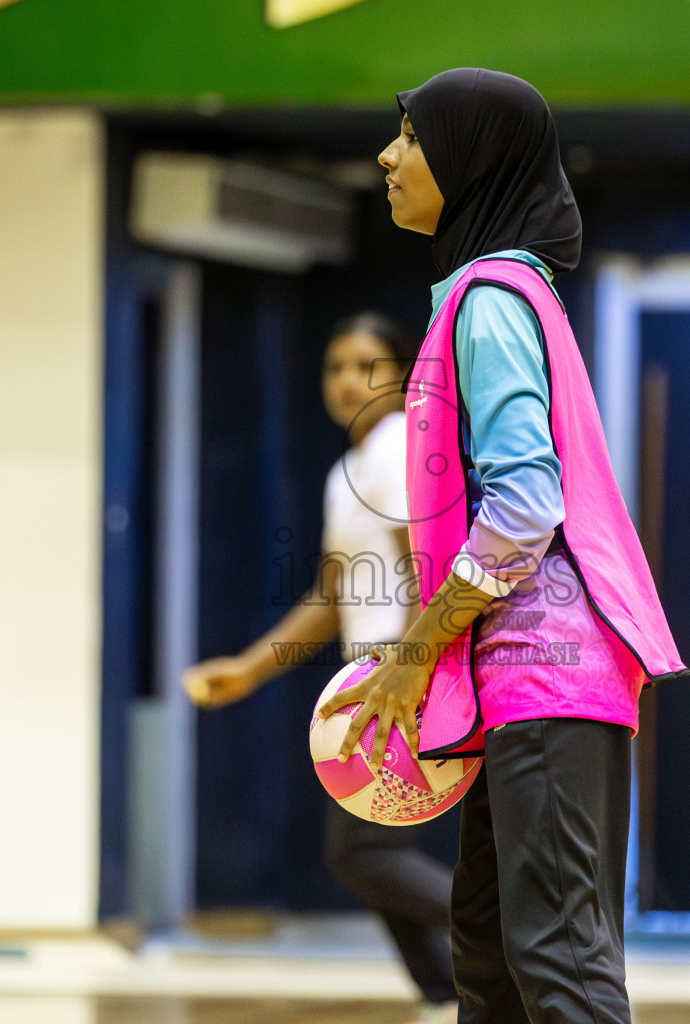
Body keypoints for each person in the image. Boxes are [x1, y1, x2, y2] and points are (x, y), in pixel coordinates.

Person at [319, 69, 687, 1024]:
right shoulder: (489, 295)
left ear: (471, 160)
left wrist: (415, 648)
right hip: (512, 681)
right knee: (489, 969)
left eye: (411, 136)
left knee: (558, 967)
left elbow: (525, 507)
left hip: (548, 673)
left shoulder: (490, 300)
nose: (388, 156)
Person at [181, 313, 457, 1024]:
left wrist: (411, 671)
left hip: (402, 680)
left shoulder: (401, 447)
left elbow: (430, 571)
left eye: (366, 366)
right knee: (360, 851)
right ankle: (445, 992)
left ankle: (508, 940)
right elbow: (330, 598)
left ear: (402, 377)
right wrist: (247, 668)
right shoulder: (349, 468)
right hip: (369, 680)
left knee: (366, 851)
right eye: (335, 366)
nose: (345, 381)